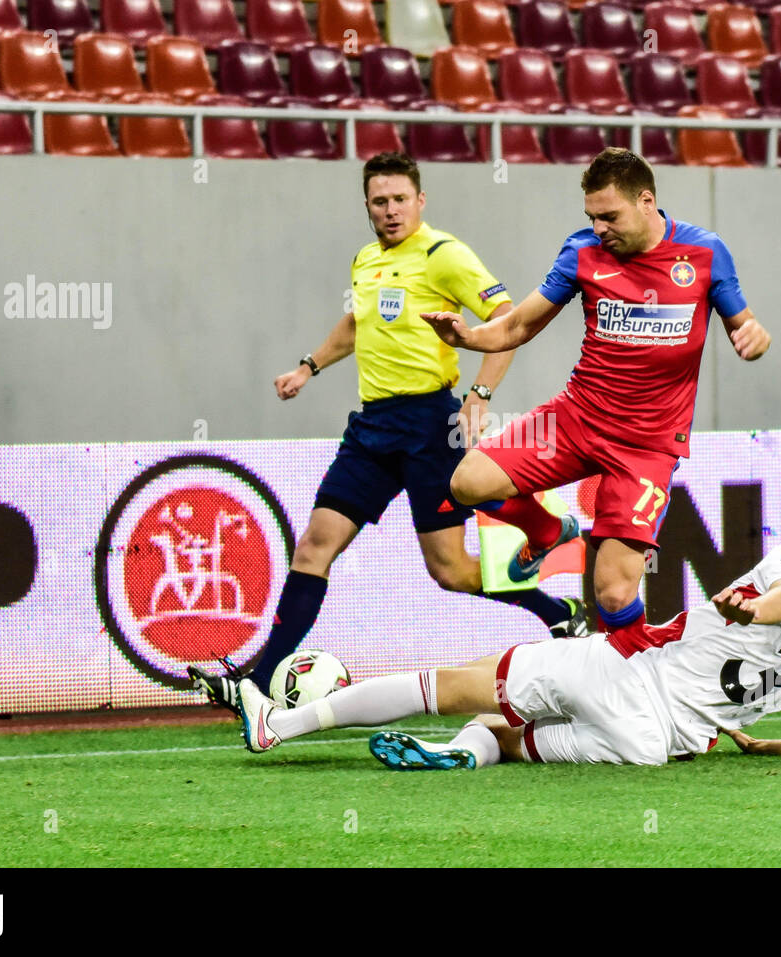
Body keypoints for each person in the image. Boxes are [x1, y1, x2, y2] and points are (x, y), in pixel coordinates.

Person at [190, 153, 586, 713]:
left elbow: (508, 320)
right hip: (371, 428)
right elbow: (356, 322)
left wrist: (480, 395)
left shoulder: (444, 255)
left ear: (420, 200)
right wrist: (308, 366)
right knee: (313, 545)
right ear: (368, 207)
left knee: (450, 572)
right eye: (380, 201)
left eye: (401, 199)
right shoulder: (366, 260)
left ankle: (555, 612)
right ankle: (258, 680)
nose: (391, 210)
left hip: (430, 425)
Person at [419, 148, 772, 657]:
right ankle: (546, 531)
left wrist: (754, 338)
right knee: (467, 481)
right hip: (577, 418)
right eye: (591, 217)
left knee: (612, 590)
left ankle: (638, 689)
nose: (599, 226)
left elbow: (746, 325)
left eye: (610, 216)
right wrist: (467, 337)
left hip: (647, 446)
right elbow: (519, 325)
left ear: (646, 201)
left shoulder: (705, 253)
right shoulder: (582, 252)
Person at [234, 523, 781, 768]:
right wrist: (759, 741)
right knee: (514, 736)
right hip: (657, 743)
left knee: (459, 684)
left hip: (626, 671)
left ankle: (278, 723)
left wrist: (754, 606)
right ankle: (465, 754)